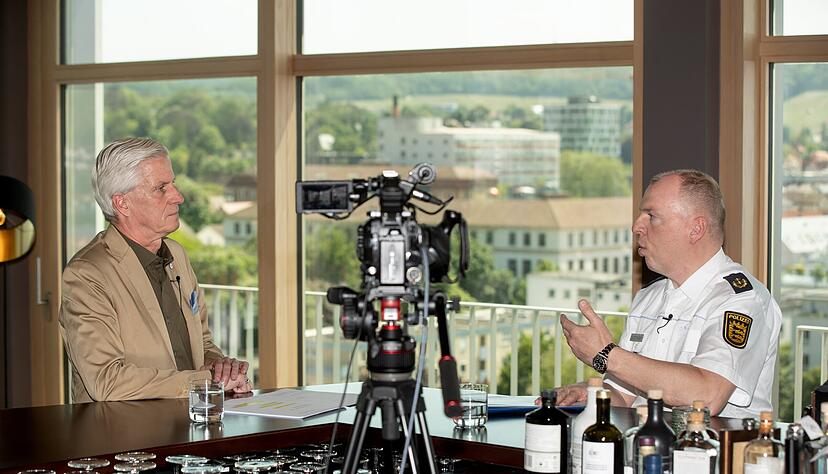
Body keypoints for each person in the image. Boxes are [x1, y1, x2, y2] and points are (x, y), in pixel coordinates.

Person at [557, 169, 782, 418]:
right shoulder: (649, 298)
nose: (636, 226)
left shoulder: (741, 300)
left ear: (695, 229)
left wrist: (607, 354)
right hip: (649, 450)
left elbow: (708, 396)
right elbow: (626, 394)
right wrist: (591, 395)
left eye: (651, 216)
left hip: (715, 452)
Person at [59, 137, 253, 402]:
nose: (178, 197)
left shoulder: (178, 255)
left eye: (173, 184)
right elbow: (106, 382)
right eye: (161, 188)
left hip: (192, 427)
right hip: (125, 438)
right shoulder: (87, 275)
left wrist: (222, 369)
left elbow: (202, 344)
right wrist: (204, 381)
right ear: (122, 203)